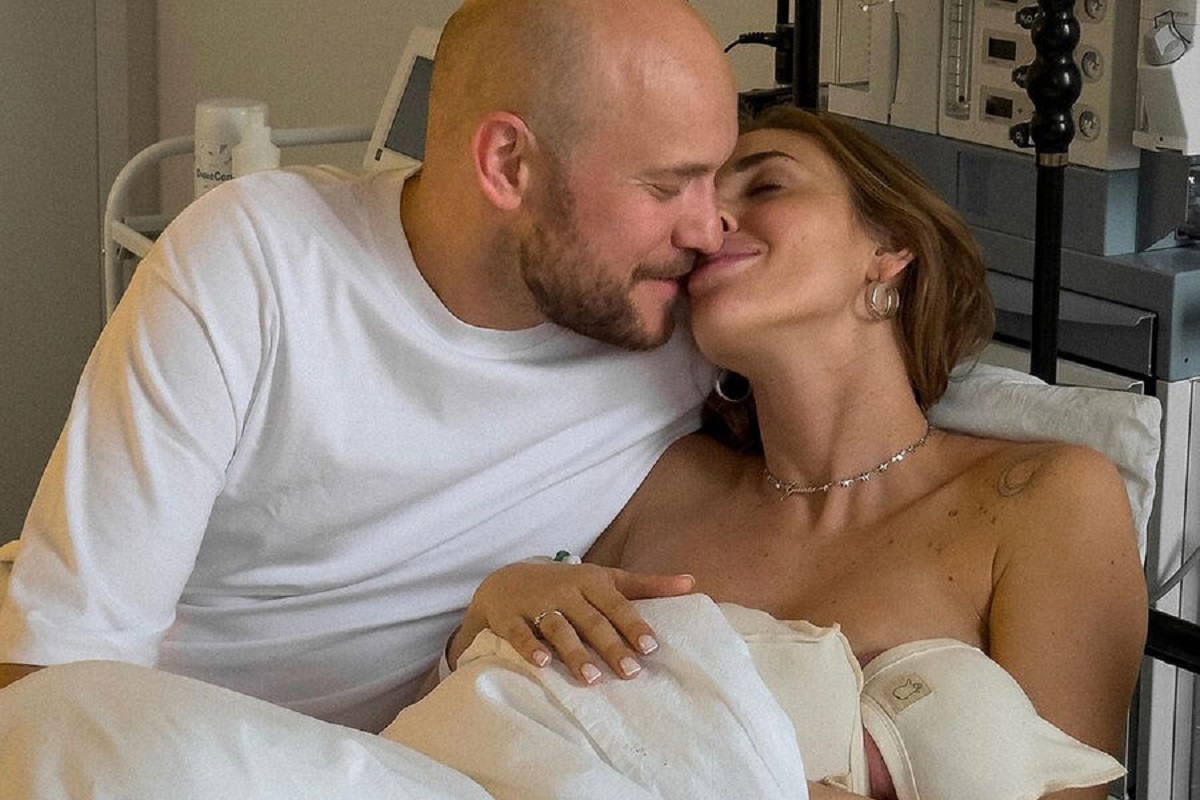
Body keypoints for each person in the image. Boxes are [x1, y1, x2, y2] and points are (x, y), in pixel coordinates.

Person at [0, 0, 736, 732]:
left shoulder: (688, 330)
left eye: (720, 179)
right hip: (156, 739)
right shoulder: (258, 264)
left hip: (398, 765)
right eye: (666, 186)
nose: (708, 230)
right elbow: (61, 676)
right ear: (508, 165)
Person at [442, 107, 1149, 798]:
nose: (709, 223)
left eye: (767, 185)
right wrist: (493, 610)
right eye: (694, 207)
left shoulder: (1043, 499)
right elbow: (494, 728)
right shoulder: (661, 485)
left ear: (889, 248)